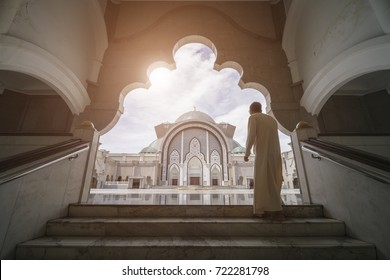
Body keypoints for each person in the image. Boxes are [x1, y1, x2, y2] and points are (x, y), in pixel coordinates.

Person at [244, 102, 286, 221]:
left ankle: (274, 211)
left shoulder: (253, 117)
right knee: (272, 178)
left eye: (249, 110)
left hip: (263, 152)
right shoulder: (271, 120)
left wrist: (247, 153)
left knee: (263, 180)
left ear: (251, 110)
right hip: (275, 153)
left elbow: (251, 136)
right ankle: (268, 208)